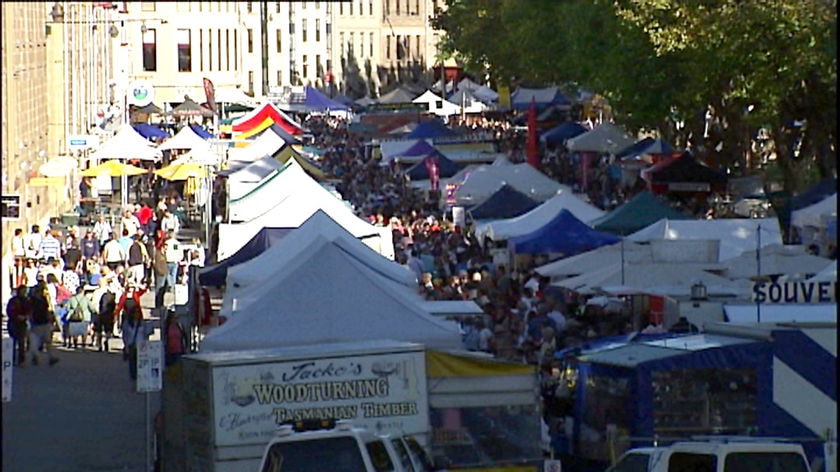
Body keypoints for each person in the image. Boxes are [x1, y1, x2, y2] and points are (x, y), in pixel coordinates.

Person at [28, 282, 60, 366]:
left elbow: (47, 311)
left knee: (45, 341)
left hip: (42, 322)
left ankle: (48, 357)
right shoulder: (34, 300)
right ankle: (38, 356)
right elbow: (31, 312)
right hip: (37, 322)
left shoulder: (41, 299)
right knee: (38, 341)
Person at [6, 285, 32, 366]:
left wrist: (26, 316)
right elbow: (9, 310)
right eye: (22, 290)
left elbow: (29, 310)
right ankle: (12, 359)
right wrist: (16, 316)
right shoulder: (13, 300)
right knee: (13, 342)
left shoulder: (26, 300)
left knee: (21, 342)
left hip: (22, 323)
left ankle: (21, 360)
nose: (24, 292)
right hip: (13, 322)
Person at [64, 285, 96, 349]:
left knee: (74, 331)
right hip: (85, 316)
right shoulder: (86, 299)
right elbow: (92, 308)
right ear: (82, 291)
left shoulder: (72, 298)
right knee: (84, 331)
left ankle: (75, 343)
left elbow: (67, 307)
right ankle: (83, 343)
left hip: (73, 316)